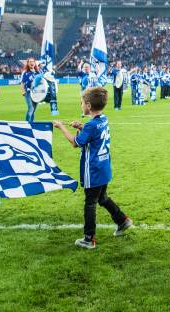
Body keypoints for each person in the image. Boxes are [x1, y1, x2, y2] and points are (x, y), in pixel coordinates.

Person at [53, 87, 133, 249]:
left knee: (90, 203)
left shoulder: (91, 126)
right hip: (103, 167)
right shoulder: (103, 119)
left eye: (82, 103)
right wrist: (81, 127)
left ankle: (89, 239)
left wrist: (62, 127)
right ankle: (122, 220)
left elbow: (76, 143)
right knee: (102, 197)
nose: (81, 105)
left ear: (88, 105)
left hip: (93, 169)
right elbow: (94, 133)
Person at [20, 57, 39, 122]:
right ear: (27, 64)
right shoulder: (25, 72)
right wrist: (23, 91)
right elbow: (22, 83)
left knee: (34, 110)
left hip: (36, 93)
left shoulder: (38, 72)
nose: (31, 63)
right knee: (31, 108)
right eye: (30, 62)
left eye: (33, 61)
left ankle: (32, 123)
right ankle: (27, 124)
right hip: (28, 93)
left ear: (35, 63)